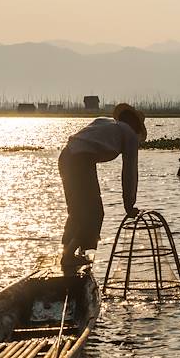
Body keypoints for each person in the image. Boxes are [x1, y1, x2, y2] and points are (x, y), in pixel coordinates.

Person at [57, 103, 146, 267]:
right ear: (135, 125)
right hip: (80, 161)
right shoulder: (130, 135)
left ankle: (70, 252)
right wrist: (129, 205)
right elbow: (130, 173)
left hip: (66, 156)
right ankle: (68, 256)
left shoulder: (104, 122)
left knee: (76, 210)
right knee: (94, 212)